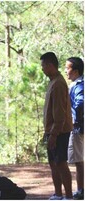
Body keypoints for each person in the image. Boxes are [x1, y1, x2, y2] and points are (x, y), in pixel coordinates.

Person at [40, 52, 73, 200]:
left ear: (50, 65)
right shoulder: (52, 81)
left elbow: (60, 111)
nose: (42, 69)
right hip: (51, 130)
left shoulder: (59, 83)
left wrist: (54, 134)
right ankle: (58, 194)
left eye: (43, 66)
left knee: (60, 163)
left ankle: (69, 196)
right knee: (53, 163)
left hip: (59, 131)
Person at [65, 57, 84, 200]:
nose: (66, 71)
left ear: (76, 71)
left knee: (78, 160)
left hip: (77, 128)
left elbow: (80, 103)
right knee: (79, 160)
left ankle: (81, 191)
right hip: (77, 127)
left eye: (68, 68)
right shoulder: (77, 84)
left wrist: (74, 122)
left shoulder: (79, 86)